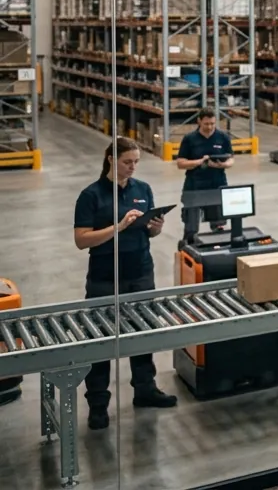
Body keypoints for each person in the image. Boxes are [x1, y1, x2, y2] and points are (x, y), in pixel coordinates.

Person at [73, 137, 179, 430]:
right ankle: (98, 403)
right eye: (126, 162)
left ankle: (145, 389)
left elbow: (150, 233)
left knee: (143, 334)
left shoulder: (143, 189)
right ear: (110, 159)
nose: (132, 167)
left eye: (136, 162)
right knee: (102, 341)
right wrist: (118, 227)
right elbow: (81, 240)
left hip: (141, 272)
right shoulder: (91, 195)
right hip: (105, 278)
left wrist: (155, 228)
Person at [175, 107, 235, 236]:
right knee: (191, 225)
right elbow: (180, 163)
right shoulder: (189, 139)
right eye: (206, 124)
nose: (209, 127)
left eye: (212, 123)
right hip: (194, 186)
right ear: (199, 121)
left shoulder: (223, 137)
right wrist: (198, 162)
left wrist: (222, 164)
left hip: (217, 184)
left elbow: (231, 160)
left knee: (218, 225)